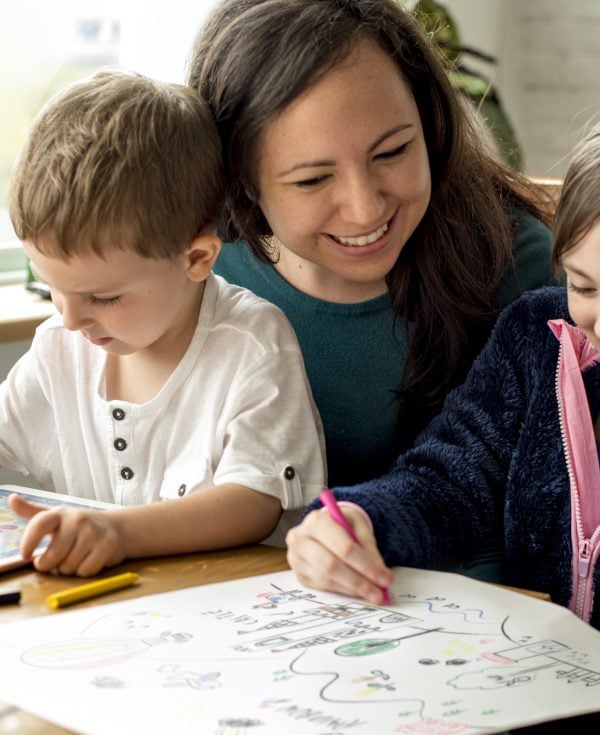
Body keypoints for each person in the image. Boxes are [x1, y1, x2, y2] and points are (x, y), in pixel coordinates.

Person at [187, 0, 556, 497]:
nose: (364, 210)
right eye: (313, 179)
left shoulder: (516, 265)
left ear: (428, 123)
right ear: (242, 181)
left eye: (393, 151)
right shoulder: (194, 263)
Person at [3, 69, 325, 577]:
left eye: (103, 297)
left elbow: (254, 501)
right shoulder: (57, 349)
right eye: (52, 289)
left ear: (196, 258)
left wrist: (117, 533)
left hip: (234, 617)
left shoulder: (253, 342)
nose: (68, 319)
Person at [286, 124, 600, 641]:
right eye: (583, 285)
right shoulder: (535, 337)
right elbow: (452, 477)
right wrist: (363, 520)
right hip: (541, 686)